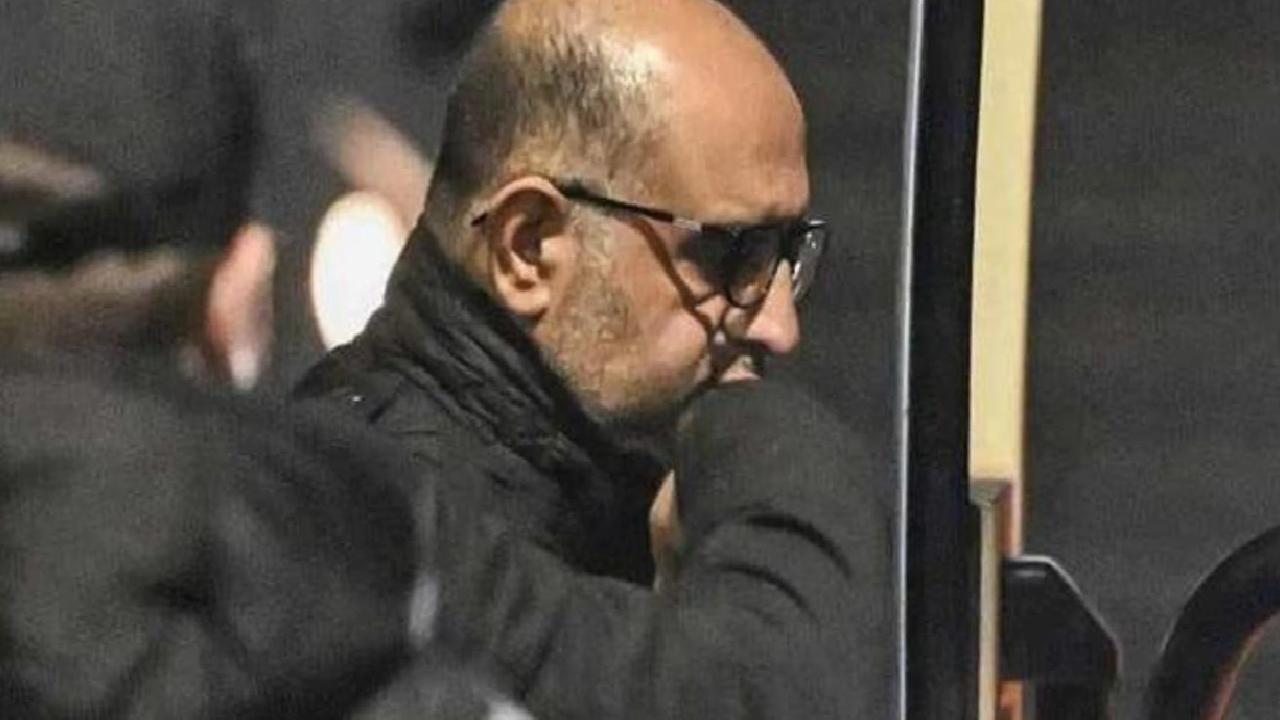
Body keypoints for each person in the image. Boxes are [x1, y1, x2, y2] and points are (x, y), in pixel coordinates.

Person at [297, 0, 893, 716]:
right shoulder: (374, 553)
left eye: (788, 252)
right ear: (529, 248)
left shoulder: (590, 488)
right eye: (730, 253)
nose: (779, 327)